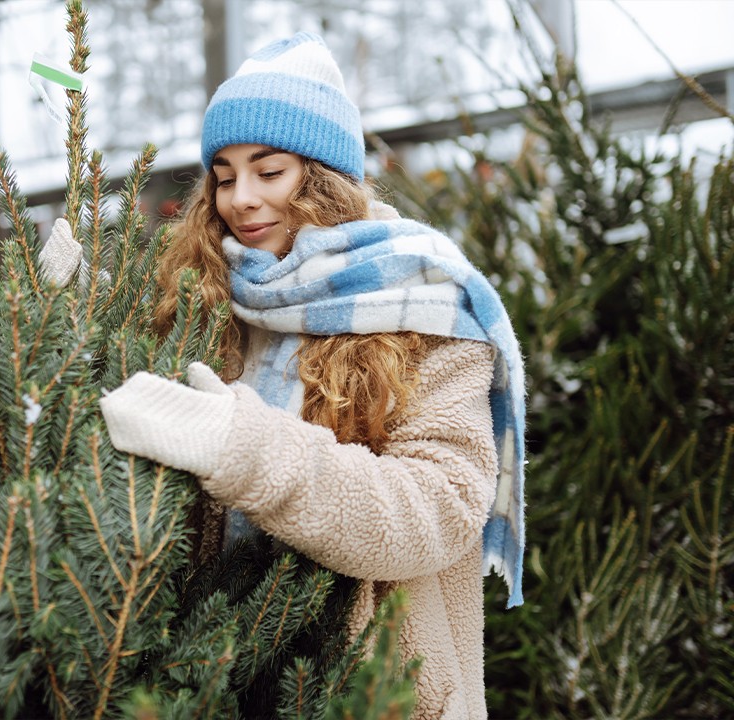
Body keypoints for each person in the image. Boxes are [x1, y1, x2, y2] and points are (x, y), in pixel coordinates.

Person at [43, 32, 526, 720]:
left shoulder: (429, 306)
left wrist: (247, 449)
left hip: (374, 694)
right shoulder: (208, 294)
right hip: (213, 683)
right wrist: (72, 309)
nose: (241, 199)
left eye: (268, 172)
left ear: (325, 177)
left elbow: (437, 509)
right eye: (225, 174)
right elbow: (137, 393)